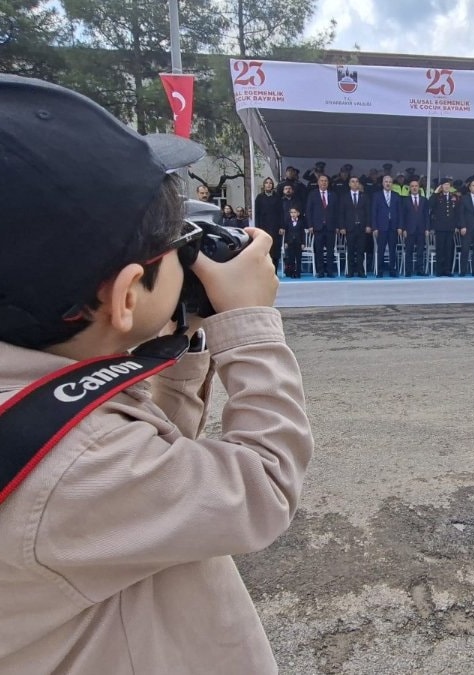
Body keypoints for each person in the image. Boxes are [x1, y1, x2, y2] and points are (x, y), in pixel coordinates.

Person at [0, 75, 313, 674]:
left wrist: (180, 340)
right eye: (180, 241)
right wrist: (250, 325)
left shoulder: (41, 404)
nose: (190, 255)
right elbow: (263, 486)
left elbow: (149, 462)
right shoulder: (78, 464)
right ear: (125, 295)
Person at [305, 174, 339, 278]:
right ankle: (320, 271)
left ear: (328, 183)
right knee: (319, 250)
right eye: (322, 181)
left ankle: (330, 271)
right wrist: (310, 225)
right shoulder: (313, 194)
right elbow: (308, 211)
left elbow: (337, 212)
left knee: (330, 250)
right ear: (318, 182)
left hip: (330, 227)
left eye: (326, 181)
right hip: (317, 227)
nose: (324, 183)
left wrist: (337, 226)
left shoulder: (333, 195)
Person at [370, 174, 403, 277]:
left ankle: (392, 270)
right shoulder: (377, 195)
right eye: (386, 182)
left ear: (392, 184)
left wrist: (400, 226)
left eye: (390, 182)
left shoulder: (396, 195)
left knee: (393, 249)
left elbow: (400, 213)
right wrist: (375, 227)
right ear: (382, 183)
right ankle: (380, 271)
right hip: (381, 227)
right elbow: (373, 212)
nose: (388, 184)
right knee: (381, 249)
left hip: (393, 227)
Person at [338, 176, 370, 278]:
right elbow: (341, 213)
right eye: (353, 181)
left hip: (361, 227)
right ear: (349, 184)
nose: (355, 183)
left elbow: (368, 213)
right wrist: (342, 227)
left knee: (361, 251)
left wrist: (368, 225)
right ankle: (350, 271)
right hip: (349, 228)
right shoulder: (344, 197)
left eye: (357, 182)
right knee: (350, 251)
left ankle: (360, 271)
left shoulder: (364, 196)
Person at [429, 178, 459, 276]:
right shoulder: (437, 196)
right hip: (440, 227)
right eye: (444, 185)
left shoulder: (454, 197)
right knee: (440, 249)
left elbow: (457, 212)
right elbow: (429, 204)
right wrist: (435, 193)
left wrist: (456, 225)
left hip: (450, 227)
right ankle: (439, 270)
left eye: (448, 185)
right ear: (441, 186)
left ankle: (447, 270)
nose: (446, 186)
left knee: (448, 249)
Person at [401, 178, 429, 276]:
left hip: (421, 229)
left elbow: (426, 215)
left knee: (420, 251)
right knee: (409, 250)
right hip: (409, 229)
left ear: (419, 187)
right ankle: (408, 271)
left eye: (416, 186)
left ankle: (420, 270)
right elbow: (402, 216)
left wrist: (427, 228)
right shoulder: (405, 200)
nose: (414, 188)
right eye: (412, 186)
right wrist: (403, 229)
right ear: (409, 188)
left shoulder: (424, 200)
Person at [254, 177, 282, 268]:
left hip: (275, 227)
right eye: (267, 183)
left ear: (272, 185)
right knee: (264, 249)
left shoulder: (277, 197)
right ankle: (265, 271)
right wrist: (257, 228)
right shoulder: (259, 197)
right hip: (263, 226)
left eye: (270, 183)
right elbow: (257, 214)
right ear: (264, 185)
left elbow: (281, 212)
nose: (268, 184)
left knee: (275, 250)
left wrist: (282, 227)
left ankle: (274, 270)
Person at [282, 206, 306, 278]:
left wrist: (303, 243)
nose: (293, 214)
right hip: (290, 242)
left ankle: (298, 273)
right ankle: (292, 273)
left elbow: (303, 233)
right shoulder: (288, 222)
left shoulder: (301, 222)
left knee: (298, 258)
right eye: (291, 212)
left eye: (294, 212)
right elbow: (286, 233)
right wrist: (286, 242)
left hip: (298, 242)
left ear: (298, 213)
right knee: (291, 258)